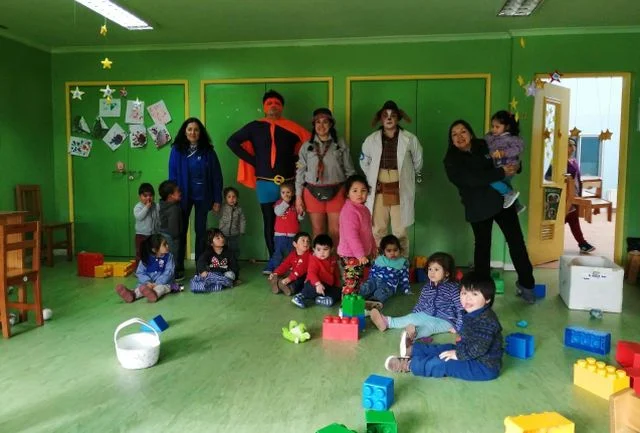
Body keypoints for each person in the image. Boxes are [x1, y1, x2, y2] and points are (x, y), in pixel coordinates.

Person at [444, 119, 537, 304]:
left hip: (502, 202)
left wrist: (516, 167)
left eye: (463, 131)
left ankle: (527, 285)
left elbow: (507, 157)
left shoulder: (485, 145)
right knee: (482, 249)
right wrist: (500, 173)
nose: (460, 136)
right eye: (455, 134)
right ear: (451, 140)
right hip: (477, 207)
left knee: (516, 242)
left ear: (470, 132)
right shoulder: (451, 160)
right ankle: (482, 294)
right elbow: (471, 179)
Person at [227, 90, 311, 260]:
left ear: (282, 107)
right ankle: (275, 259)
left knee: (291, 221)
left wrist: (295, 159)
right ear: (264, 107)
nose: (273, 106)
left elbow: (310, 144)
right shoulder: (254, 126)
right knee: (269, 221)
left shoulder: (293, 128)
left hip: (288, 183)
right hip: (264, 183)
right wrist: (253, 161)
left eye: (277, 103)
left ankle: (292, 259)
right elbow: (232, 141)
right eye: (269, 103)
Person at [384, 273, 503, 382]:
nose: (467, 298)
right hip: (469, 352)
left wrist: (458, 354)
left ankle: (409, 365)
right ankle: (412, 350)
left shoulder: (487, 321)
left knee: (446, 363)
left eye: (474, 294)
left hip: (483, 367)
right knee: (446, 348)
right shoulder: (471, 311)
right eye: (464, 293)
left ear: (487, 299)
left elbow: (479, 348)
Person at [360, 100, 423, 256]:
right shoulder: (371, 139)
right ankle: (379, 262)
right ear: (380, 119)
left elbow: (418, 161)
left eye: (393, 115)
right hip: (379, 187)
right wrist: (373, 177)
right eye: (385, 116)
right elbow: (364, 160)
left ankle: (402, 263)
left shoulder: (410, 139)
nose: (389, 119)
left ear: (398, 118)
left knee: (400, 230)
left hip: (399, 187)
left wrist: (409, 177)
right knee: (378, 228)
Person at [169, 117, 223, 280]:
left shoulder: (208, 152)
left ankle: (200, 266)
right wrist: (172, 196)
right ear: (184, 132)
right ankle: (178, 266)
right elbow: (172, 175)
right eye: (189, 129)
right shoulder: (177, 150)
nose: (193, 132)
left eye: (196, 129)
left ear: (201, 133)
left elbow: (216, 177)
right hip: (182, 197)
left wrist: (217, 199)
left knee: (201, 232)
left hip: (203, 196)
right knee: (180, 231)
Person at [370, 252, 462, 345]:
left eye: (436, 269)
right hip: (427, 313)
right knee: (410, 318)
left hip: (445, 320)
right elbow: (421, 303)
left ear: (446, 273)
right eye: (430, 269)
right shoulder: (427, 287)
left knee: (429, 327)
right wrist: (414, 316)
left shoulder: (452, 288)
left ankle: (412, 336)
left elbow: (460, 308)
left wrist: (458, 326)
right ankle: (387, 322)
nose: (432, 272)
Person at [295, 108, 356, 246]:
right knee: (318, 230)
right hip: (312, 191)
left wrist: (351, 194)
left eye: (325, 122)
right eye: (318, 122)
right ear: (313, 124)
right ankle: (320, 263)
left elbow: (350, 171)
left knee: (336, 231)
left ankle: (334, 262)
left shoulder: (339, 144)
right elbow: (300, 173)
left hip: (337, 191)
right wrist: (298, 197)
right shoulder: (307, 146)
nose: (321, 126)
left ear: (331, 124)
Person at [337, 174, 377, 296]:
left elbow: (368, 231)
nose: (359, 194)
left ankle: (355, 304)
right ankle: (346, 310)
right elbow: (351, 236)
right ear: (348, 193)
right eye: (355, 191)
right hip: (351, 254)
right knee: (351, 282)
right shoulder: (349, 210)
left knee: (358, 280)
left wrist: (373, 247)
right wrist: (360, 254)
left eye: (363, 190)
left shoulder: (364, 209)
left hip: (359, 255)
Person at [115, 234, 180, 303]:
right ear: (154, 250)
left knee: (162, 288)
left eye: (167, 243)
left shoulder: (169, 257)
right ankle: (132, 294)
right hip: (148, 284)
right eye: (164, 244)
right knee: (142, 288)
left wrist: (158, 283)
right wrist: (147, 282)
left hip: (164, 283)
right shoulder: (146, 258)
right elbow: (140, 272)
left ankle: (154, 294)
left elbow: (169, 272)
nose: (167, 246)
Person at [484, 110, 525, 211]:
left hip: (508, 166)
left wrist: (504, 153)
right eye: (492, 126)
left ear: (507, 127)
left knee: (491, 180)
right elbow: (485, 145)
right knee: (505, 183)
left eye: (497, 127)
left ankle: (507, 193)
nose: (494, 129)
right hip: (497, 166)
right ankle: (517, 206)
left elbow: (518, 148)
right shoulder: (491, 137)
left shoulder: (511, 138)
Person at [291, 234, 341, 308]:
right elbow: (311, 273)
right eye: (318, 249)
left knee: (339, 291)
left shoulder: (333, 259)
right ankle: (300, 296)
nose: (322, 252)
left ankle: (323, 299)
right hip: (314, 282)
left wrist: (337, 285)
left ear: (332, 249)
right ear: (314, 249)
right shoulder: (314, 259)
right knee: (311, 287)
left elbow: (336, 273)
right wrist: (318, 284)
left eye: (325, 249)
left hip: (326, 285)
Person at [358, 235, 410, 306]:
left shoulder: (402, 262)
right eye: (389, 251)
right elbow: (372, 271)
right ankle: (357, 297)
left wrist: (406, 289)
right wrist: (369, 281)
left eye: (395, 250)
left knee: (382, 292)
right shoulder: (379, 259)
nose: (392, 253)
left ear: (399, 249)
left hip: (388, 285)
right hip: (374, 280)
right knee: (366, 287)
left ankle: (373, 301)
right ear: (384, 251)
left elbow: (404, 278)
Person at [566, 137, 596, 253]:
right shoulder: (559, 162)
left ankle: (582, 243)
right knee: (569, 219)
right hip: (565, 197)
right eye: (570, 145)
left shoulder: (573, 161)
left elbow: (577, 180)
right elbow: (549, 176)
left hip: (574, 196)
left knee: (572, 219)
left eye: (574, 145)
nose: (572, 148)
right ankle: (582, 243)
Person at [265, 182, 303, 273]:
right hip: (280, 235)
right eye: (283, 192)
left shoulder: (295, 205)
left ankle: (292, 267)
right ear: (280, 194)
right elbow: (278, 212)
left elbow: (300, 218)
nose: (286, 194)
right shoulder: (278, 203)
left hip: (293, 235)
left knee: (292, 253)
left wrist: (301, 213)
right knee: (278, 253)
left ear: (293, 193)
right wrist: (285, 202)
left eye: (288, 192)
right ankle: (274, 268)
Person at [190, 228, 238, 293]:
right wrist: (203, 271)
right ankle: (214, 284)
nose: (222, 239)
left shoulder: (229, 252)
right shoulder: (208, 252)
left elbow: (234, 266)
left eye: (222, 237)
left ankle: (218, 284)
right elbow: (200, 262)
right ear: (211, 243)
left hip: (223, 274)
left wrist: (235, 276)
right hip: (211, 274)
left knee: (230, 275)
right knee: (199, 277)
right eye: (218, 238)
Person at [215, 187, 247, 280]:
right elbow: (216, 213)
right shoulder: (222, 208)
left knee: (234, 249)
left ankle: (234, 264)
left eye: (234, 197)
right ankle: (223, 264)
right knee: (222, 249)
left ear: (237, 198)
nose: (232, 199)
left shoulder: (239, 209)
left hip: (234, 233)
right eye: (229, 197)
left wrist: (242, 230)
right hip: (223, 234)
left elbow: (242, 220)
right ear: (225, 198)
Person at [269, 231, 312, 296]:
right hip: (294, 274)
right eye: (303, 240)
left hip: (304, 275)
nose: (306, 243)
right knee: (286, 272)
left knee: (299, 280)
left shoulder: (309, 255)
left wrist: (289, 278)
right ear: (295, 244)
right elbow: (285, 264)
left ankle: (289, 288)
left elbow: (300, 270)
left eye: (308, 241)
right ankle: (277, 280)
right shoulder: (292, 254)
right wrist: (276, 272)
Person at [158, 180, 184, 280]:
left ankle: (166, 273)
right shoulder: (173, 208)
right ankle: (174, 275)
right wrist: (177, 237)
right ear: (170, 196)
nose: (180, 192)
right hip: (172, 236)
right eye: (177, 191)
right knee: (173, 256)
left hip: (163, 233)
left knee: (166, 255)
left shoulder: (163, 204)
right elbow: (174, 227)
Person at [133, 182, 160, 264]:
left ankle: (151, 268)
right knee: (140, 253)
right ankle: (138, 270)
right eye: (145, 196)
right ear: (140, 197)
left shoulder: (156, 206)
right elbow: (139, 217)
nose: (148, 198)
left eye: (150, 195)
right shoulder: (138, 207)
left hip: (153, 234)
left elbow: (158, 218)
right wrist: (146, 208)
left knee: (153, 252)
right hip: (141, 235)